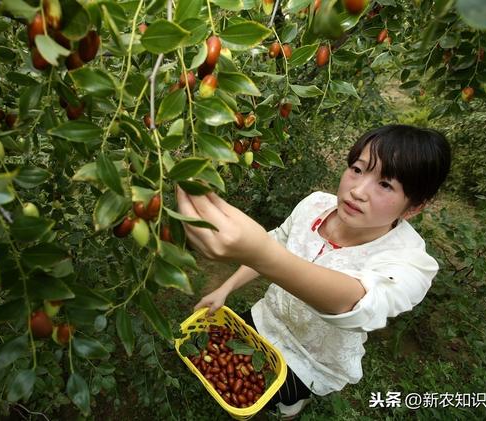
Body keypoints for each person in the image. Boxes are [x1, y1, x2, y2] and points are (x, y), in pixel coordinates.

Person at [176, 125, 451, 419]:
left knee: (272, 395)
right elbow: (277, 239)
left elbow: (362, 305)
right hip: (267, 320)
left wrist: (261, 254)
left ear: (414, 207)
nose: (357, 190)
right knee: (226, 364)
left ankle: (290, 402)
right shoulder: (315, 204)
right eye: (357, 169)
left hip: (312, 359)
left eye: (385, 185)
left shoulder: (410, 262)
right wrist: (226, 288)